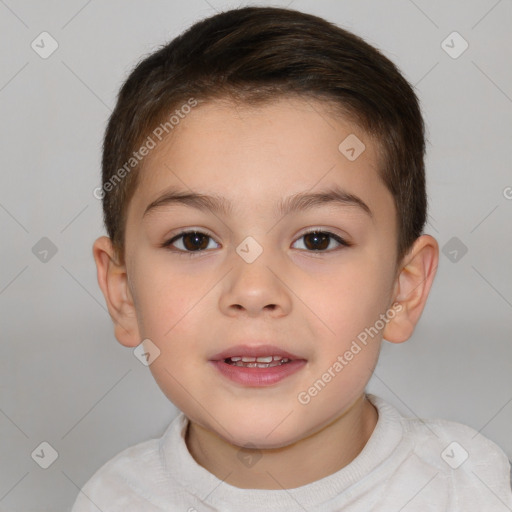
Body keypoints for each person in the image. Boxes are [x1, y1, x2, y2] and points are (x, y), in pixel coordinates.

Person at [72, 6, 512, 511]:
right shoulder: (111, 500)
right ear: (122, 291)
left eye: (318, 240)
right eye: (194, 240)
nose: (254, 291)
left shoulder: (474, 489)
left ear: (404, 287)